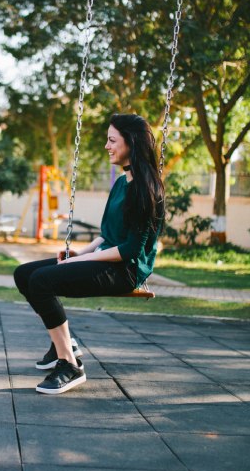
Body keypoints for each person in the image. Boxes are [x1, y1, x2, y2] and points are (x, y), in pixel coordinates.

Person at [14, 114, 165, 395]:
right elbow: (108, 234)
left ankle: (69, 365)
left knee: (42, 282)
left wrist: (82, 260)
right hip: (107, 257)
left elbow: (130, 249)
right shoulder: (122, 183)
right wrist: (79, 252)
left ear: (131, 143)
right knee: (24, 274)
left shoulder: (146, 189)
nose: (107, 146)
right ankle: (65, 343)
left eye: (112, 140)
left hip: (126, 270)